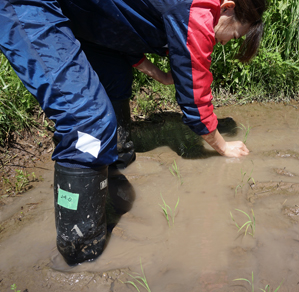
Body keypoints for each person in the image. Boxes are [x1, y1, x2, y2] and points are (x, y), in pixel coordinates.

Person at [0, 0, 267, 265]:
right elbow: (196, 95)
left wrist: (157, 73)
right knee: (87, 120)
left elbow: (118, 28)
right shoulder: (198, 8)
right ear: (227, 8)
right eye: (233, 35)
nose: (225, 43)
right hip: (30, 6)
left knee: (115, 79)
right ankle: (79, 252)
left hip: (87, 21)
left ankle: (116, 162)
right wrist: (223, 146)